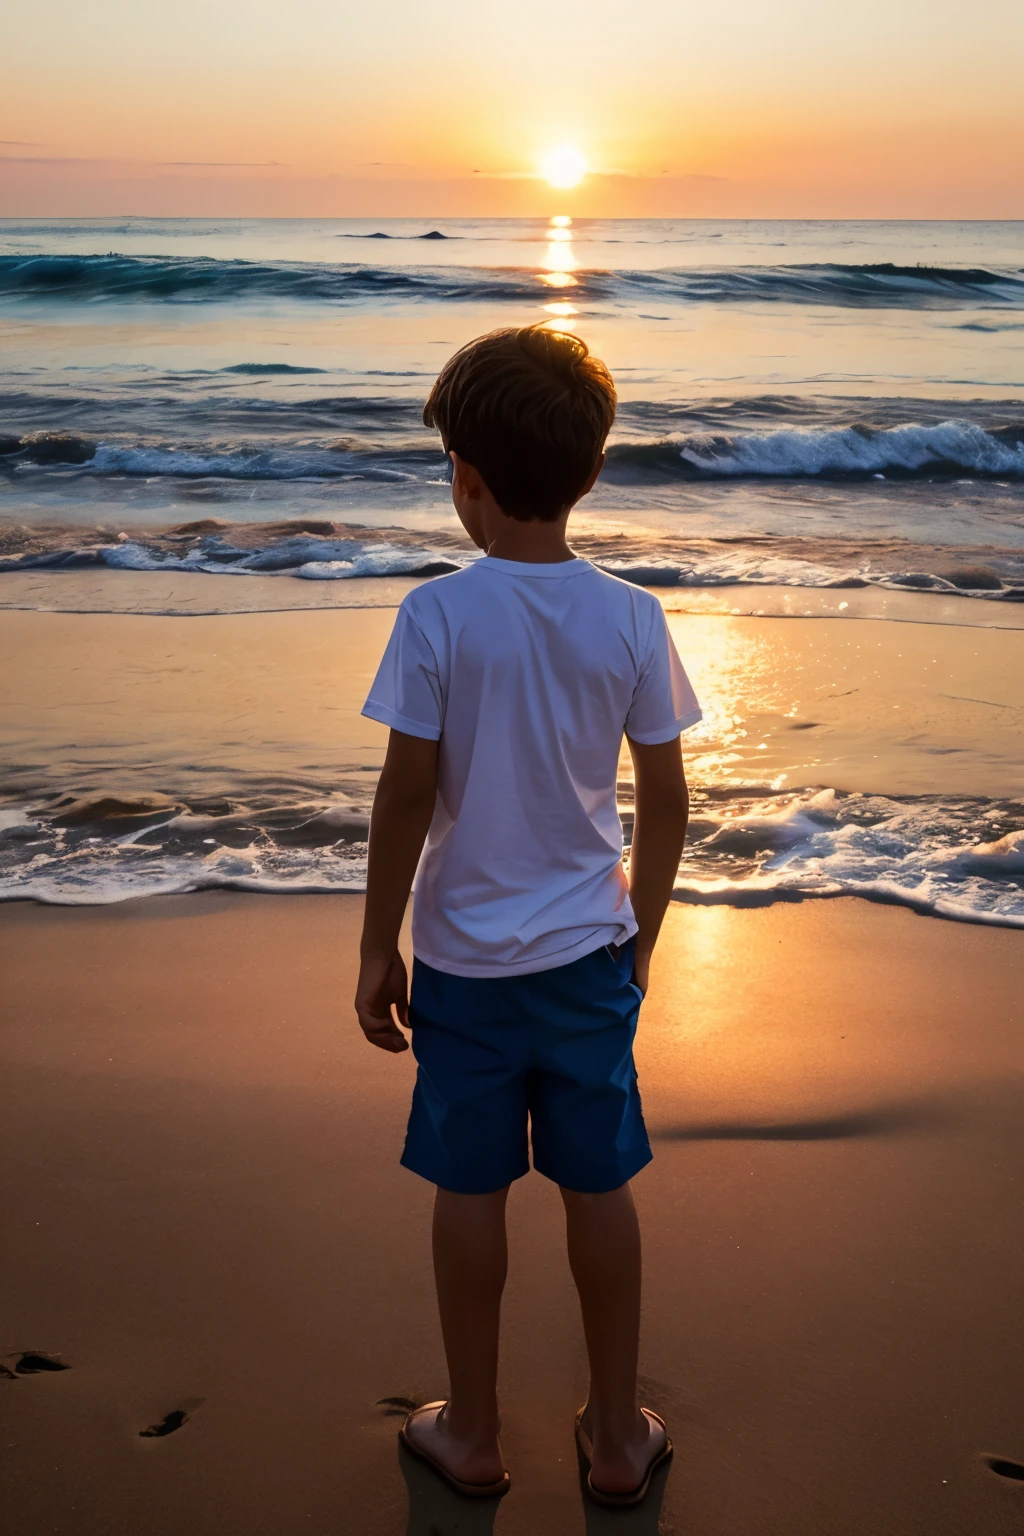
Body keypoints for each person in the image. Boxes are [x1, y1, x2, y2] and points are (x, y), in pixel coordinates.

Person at [355, 324, 701, 1508]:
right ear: (592, 473)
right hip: (588, 956)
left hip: (461, 962)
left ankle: (473, 1434)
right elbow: (665, 802)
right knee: (599, 1187)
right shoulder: (631, 617)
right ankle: (613, 1437)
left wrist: (373, 947)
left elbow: (405, 795)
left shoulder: (437, 616)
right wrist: (640, 934)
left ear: (464, 478)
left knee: (471, 1188)